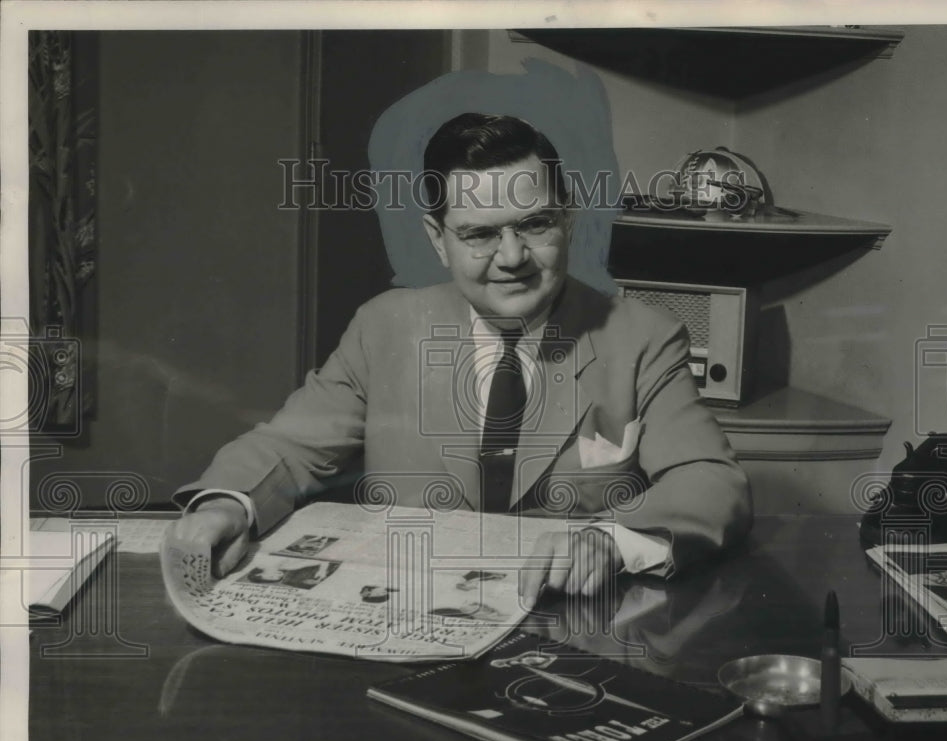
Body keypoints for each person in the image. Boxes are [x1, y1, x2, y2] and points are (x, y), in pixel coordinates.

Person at [170, 112, 752, 606]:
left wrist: (611, 539)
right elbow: (288, 445)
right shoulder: (385, 326)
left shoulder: (643, 337)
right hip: (404, 619)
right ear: (436, 237)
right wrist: (227, 501)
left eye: (536, 224)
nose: (513, 257)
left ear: (567, 220)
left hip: (568, 630)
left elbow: (710, 479)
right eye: (479, 234)